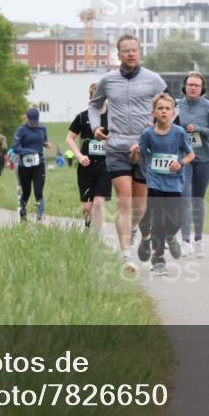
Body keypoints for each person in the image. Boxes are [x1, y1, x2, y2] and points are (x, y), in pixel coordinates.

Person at [89, 34, 169, 271]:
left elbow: (169, 106)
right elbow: (94, 105)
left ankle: (133, 229)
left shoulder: (153, 80)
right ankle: (125, 255)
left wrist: (158, 127)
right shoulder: (108, 80)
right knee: (124, 199)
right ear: (119, 54)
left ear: (139, 52)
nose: (131, 54)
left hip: (145, 148)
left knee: (140, 206)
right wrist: (95, 127)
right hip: (117, 147)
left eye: (135, 50)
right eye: (126, 51)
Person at [130, 93, 195, 275]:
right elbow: (136, 158)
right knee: (157, 221)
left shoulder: (179, 132)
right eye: (160, 108)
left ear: (173, 112)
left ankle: (171, 236)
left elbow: (190, 155)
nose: (164, 111)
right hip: (155, 182)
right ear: (154, 112)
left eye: (167, 108)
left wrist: (180, 163)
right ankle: (158, 259)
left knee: (174, 221)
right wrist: (134, 152)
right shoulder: (147, 134)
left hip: (174, 183)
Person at [176, 72, 209, 257]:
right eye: (189, 84)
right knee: (185, 197)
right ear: (184, 87)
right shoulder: (177, 106)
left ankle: (199, 239)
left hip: (204, 158)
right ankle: (185, 240)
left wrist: (199, 129)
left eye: (196, 85)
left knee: (197, 199)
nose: (192, 88)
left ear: (202, 88)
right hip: (184, 158)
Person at [66, 83, 111, 231]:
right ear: (90, 99)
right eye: (95, 99)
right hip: (86, 166)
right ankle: (87, 227)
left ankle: (97, 235)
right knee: (87, 207)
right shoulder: (82, 116)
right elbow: (69, 138)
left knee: (98, 203)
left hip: (105, 166)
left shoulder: (113, 117)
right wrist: (78, 156)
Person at [12, 108, 51, 221]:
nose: (34, 124)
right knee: (26, 193)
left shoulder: (42, 128)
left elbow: (44, 140)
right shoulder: (21, 130)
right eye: (32, 121)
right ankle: (23, 213)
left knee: (38, 191)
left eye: (36, 121)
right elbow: (15, 148)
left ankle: (40, 217)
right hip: (24, 166)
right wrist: (28, 151)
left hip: (39, 164)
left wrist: (46, 144)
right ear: (27, 119)